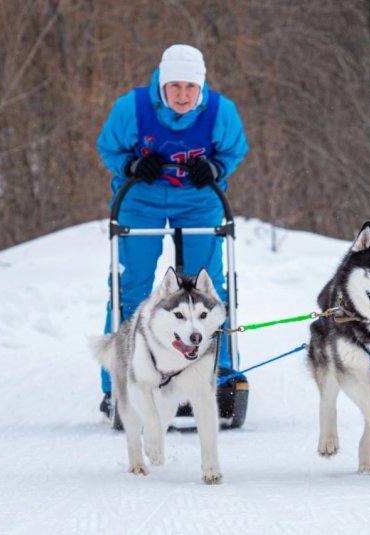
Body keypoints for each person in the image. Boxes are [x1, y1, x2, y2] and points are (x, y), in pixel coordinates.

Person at [96, 44, 249, 416]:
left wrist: (214, 169)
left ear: (201, 88)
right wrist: (131, 165)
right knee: (131, 285)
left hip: (199, 199)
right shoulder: (131, 109)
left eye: (190, 88)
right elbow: (108, 149)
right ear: (162, 87)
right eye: (175, 86)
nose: (182, 95)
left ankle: (219, 370)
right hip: (141, 198)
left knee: (208, 284)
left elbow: (234, 151)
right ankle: (122, 375)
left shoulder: (220, 112)